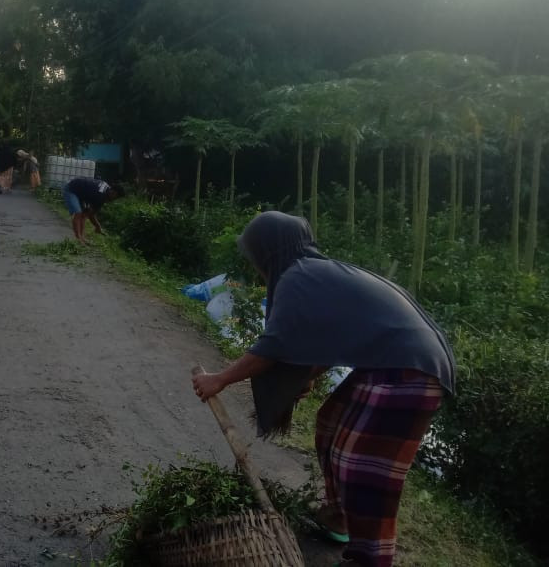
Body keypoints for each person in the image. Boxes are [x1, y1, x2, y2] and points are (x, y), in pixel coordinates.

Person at [190, 211, 455, 567]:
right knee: (330, 424)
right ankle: (338, 515)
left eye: (254, 258)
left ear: (268, 253)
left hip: (409, 369)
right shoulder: (313, 273)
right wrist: (308, 376)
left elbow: (275, 344)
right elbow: (335, 333)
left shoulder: (297, 276)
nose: (255, 268)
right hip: (395, 362)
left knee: (362, 464)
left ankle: (370, 559)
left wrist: (219, 379)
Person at [62, 176, 121, 243]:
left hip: (80, 192)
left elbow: (88, 214)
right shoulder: (100, 195)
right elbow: (91, 215)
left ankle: (82, 237)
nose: (114, 199)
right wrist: (98, 226)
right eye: (115, 197)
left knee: (83, 215)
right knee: (78, 213)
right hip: (71, 188)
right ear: (112, 191)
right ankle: (79, 239)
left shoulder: (107, 188)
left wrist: (97, 226)